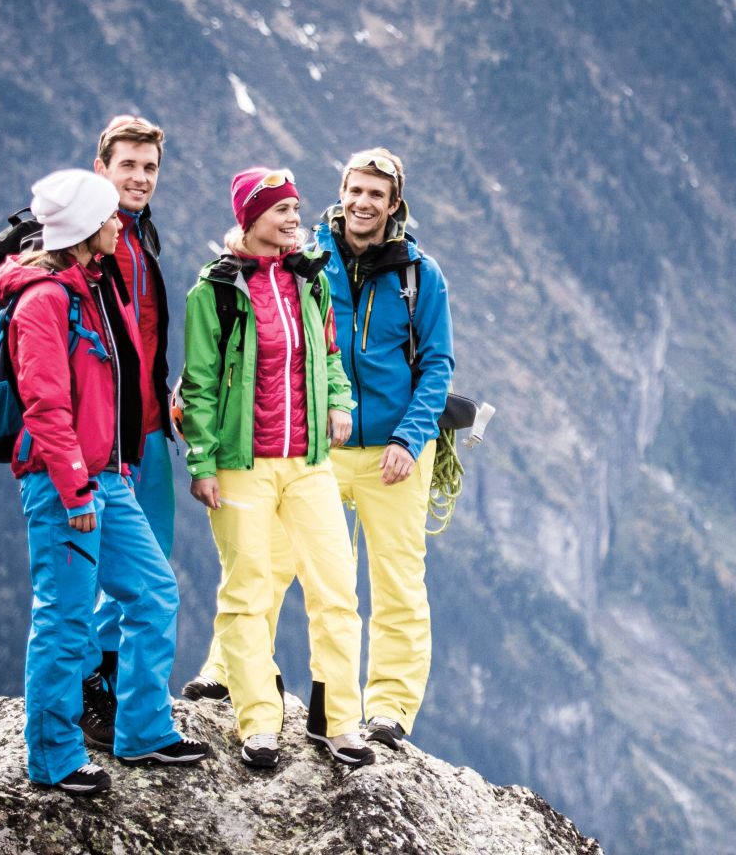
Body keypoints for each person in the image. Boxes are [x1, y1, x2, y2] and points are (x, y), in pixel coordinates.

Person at [184, 148, 485, 752]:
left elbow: (437, 366)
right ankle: (224, 671)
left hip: (396, 453)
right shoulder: (307, 259)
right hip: (314, 444)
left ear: (394, 205)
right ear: (341, 192)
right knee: (268, 561)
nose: (362, 202)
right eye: (355, 190)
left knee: (396, 583)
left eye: (376, 194)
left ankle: (389, 708)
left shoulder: (419, 275)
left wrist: (410, 436)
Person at [0, 169, 209, 795]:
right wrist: (74, 487)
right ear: (89, 228)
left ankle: (142, 731)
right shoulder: (43, 301)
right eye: (111, 217)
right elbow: (45, 404)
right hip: (66, 483)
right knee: (65, 619)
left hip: (110, 477)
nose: (122, 222)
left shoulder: (94, 285)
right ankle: (53, 759)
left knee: (153, 592)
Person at [179, 168, 374, 770]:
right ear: (251, 218)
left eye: (296, 208)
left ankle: (338, 722)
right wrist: (201, 462)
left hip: (309, 462)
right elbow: (200, 386)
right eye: (282, 209)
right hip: (242, 466)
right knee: (247, 593)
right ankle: (259, 724)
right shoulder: (212, 293)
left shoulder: (309, 282)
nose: (295, 218)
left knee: (338, 590)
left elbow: (331, 354)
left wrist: (339, 402)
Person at [80, 114, 177, 750]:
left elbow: (140, 334)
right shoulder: (87, 241)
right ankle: (94, 688)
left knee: (152, 560)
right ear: (102, 170)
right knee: (119, 571)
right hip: (103, 436)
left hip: (146, 427)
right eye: (128, 166)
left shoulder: (142, 238)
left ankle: (116, 685)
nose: (139, 178)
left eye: (149, 168)